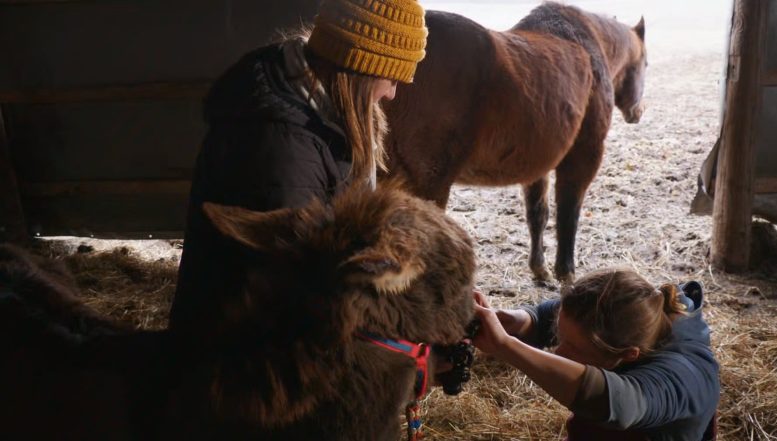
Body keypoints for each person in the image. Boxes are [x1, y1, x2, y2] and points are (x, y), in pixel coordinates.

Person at [169, 0, 428, 337]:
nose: (392, 94)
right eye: (390, 78)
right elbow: (296, 279)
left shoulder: (312, 107)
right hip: (242, 353)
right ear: (358, 68)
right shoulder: (282, 148)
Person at [472, 269, 720, 441]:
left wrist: (506, 346)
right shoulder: (634, 312)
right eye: (560, 337)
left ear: (629, 354)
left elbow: (617, 403)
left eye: (574, 348)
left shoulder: (682, 376)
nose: (559, 351)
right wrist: (515, 320)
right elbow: (552, 315)